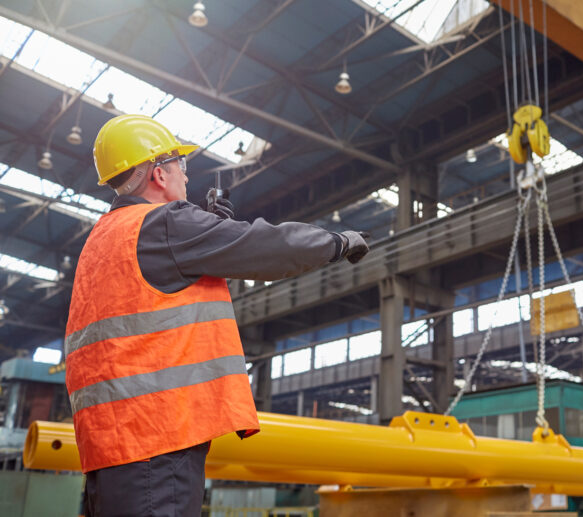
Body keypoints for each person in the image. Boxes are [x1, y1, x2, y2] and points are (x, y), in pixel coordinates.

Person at [64, 114, 369, 516]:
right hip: (159, 440)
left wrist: (208, 234)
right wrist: (335, 241)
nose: (186, 179)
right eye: (182, 167)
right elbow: (265, 246)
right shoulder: (165, 224)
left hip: (109, 447)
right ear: (159, 173)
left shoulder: (102, 239)